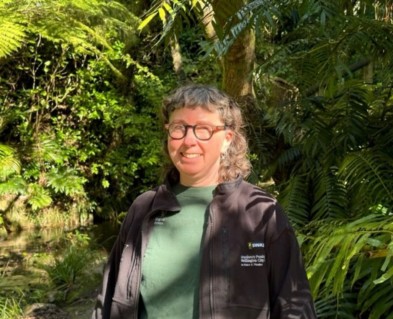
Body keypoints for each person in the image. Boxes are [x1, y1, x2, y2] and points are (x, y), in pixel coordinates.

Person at [91, 84, 317, 319]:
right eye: (179, 128)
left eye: (203, 129)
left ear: (227, 139)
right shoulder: (144, 209)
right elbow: (106, 303)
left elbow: (295, 306)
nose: (189, 141)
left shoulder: (260, 212)